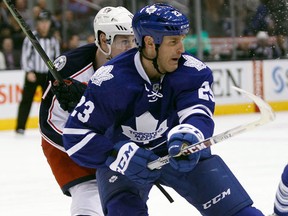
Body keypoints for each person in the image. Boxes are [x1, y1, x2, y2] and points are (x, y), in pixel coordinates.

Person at [62, 3, 265, 216]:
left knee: (241, 214)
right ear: (150, 43)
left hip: (181, 154)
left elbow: (198, 113)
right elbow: (75, 135)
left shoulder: (193, 71)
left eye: (182, 40)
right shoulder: (110, 80)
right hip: (126, 165)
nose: (182, 50)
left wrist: (188, 135)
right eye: (173, 42)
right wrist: (117, 154)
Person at [39, 6, 135, 216]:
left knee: (122, 199)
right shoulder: (69, 69)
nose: (132, 48)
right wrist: (82, 131)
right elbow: (49, 124)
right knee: (89, 194)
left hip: (113, 143)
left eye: (134, 40)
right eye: (124, 41)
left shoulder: (138, 68)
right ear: (103, 40)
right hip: (66, 148)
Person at [15, 9, 60, 134]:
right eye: (41, 22)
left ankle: (49, 127)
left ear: (50, 23)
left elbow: (57, 58)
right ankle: (20, 127)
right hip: (33, 74)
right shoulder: (31, 37)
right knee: (26, 101)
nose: (44, 24)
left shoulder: (53, 40)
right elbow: (25, 56)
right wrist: (28, 71)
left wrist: (55, 74)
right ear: (38, 23)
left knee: (50, 102)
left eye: (46, 22)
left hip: (47, 76)